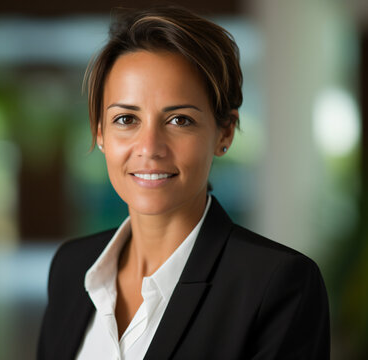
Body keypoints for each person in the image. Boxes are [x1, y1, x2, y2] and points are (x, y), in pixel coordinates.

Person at [37, 6, 330, 360]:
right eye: (126, 118)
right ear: (100, 132)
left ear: (224, 132)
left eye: (179, 120)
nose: (149, 148)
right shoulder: (71, 266)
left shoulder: (276, 285)